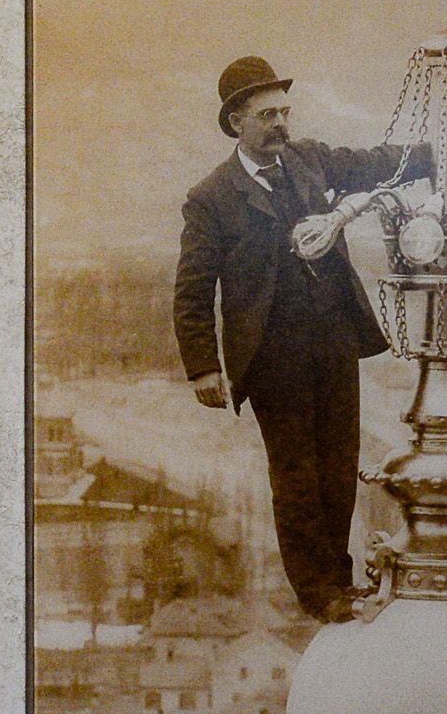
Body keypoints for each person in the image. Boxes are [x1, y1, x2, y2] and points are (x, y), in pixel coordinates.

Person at [173, 56, 425, 622]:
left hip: (334, 339)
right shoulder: (211, 198)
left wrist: (437, 153)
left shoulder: (309, 161)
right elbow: (192, 290)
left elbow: (372, 164)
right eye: (267, 115)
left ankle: (340, 578)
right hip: (272, 357)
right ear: (236, 121)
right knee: (296, 475)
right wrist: (202, 367)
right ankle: (319, 592)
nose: (280, 124)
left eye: (285, 112)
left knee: (340, 463)